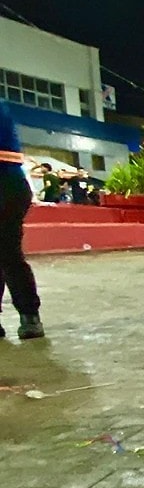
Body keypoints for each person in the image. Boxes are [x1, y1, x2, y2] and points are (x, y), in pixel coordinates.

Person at [0, 101, 45, 340]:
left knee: (8, 254)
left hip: (5, 184)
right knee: (9, 254)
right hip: (12, 185)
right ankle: (30, 317)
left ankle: (30, 316)